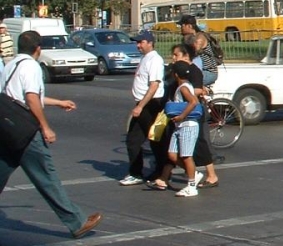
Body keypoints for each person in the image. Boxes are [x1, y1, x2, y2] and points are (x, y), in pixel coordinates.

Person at [0, 30, 103, 239]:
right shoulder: (31, 66)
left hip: (7, 130)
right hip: (26, 132)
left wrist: (58, 102)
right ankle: (77, 222)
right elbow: (31, 99)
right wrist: (45, 127)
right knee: (47, 178)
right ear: (38, 48)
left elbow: (19, 98)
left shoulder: (10, 65)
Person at [150, 61, 203, 197]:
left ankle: (191, 186)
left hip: (187, 125)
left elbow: (193, 102)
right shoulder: (185, 85)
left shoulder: (184, 87)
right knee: (172, 155)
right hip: (179, 126)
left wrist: (181, 116)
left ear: (175, 74)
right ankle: (194, 174)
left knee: (186, 156)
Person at [120, 30, 165, 186]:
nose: (138, 45)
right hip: (142, 104)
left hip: (151, 105)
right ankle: (136, 172)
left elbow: (154, 85)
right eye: (137, 43)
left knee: (154, 140)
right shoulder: (145, 58)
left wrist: (141, 106)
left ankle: (161, 172)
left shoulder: (155, 60)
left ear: (150, 43)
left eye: (141, 42)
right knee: (134, 140)